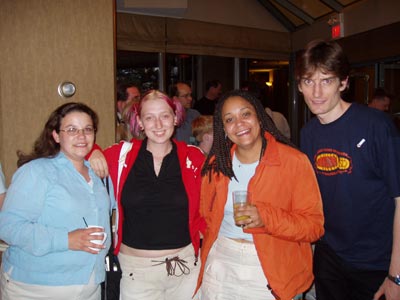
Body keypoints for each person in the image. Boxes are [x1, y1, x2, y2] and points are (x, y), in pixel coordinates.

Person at [195, 89, 324, 300]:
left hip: (273, 271)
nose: (239, 123)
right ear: (223, 129)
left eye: (246, 114)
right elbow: (205, 216)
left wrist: (266, 217)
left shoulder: (293, 161)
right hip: (221, 266)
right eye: (230, 119)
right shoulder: (216, 164)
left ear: (259, 117)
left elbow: (314, 227)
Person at [297, 40, 400, 300]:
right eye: (309, 81)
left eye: (327, 81)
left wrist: (396, 275)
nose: (317, 92)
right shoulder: (308, 134)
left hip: (376, 262)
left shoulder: (377, 126)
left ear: (343, 83)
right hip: (329, 257)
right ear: (299, 85)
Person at [89, 90, 206, 300]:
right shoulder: (120, 156)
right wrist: (94, 151)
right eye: (149, 117)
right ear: (140, 122)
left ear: (176, 118)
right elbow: (79, 149)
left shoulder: (194, 157)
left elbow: (211, 203)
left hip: (184, 268)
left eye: (165, 116)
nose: (158, 124)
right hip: (137, 272)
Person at [0, 102, 113, 300]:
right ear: (56, 135)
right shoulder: (36, 172)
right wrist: (66, 239)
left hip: (89, 285)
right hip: (36, 288)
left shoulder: (98, 175)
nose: (81, 136)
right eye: (71, 129)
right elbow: (8, 227)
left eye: (87, 129)